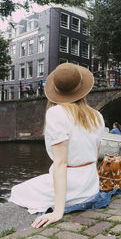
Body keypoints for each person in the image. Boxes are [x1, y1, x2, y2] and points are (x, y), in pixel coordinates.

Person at [9, 63, 105, 228]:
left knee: (17, 191)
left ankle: (60, 203)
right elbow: (95, 157)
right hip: (91, 185)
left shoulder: (56, 113)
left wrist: (58, 211)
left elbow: (61, 163)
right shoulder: (97, 116)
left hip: (72, 186)